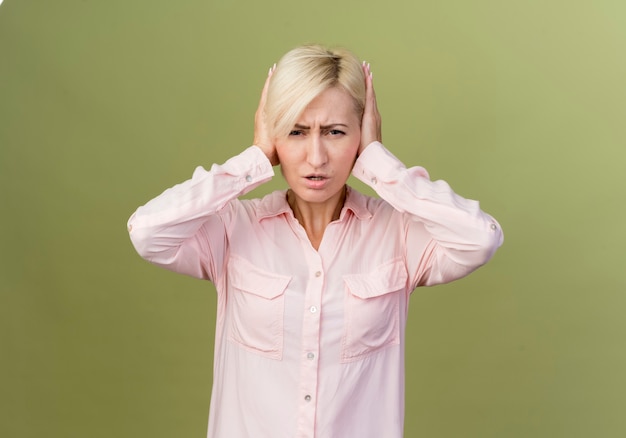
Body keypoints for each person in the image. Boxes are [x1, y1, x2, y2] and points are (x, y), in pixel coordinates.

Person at [127, 44, 503, 438]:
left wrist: (377, 161)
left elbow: (481, 239)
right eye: (296, 132)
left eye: (335, 132)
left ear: (362, 132)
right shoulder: (232, 229)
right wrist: (254, 159)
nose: (316, 157)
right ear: (275, 137)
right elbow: (147, 232)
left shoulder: (398, 234)